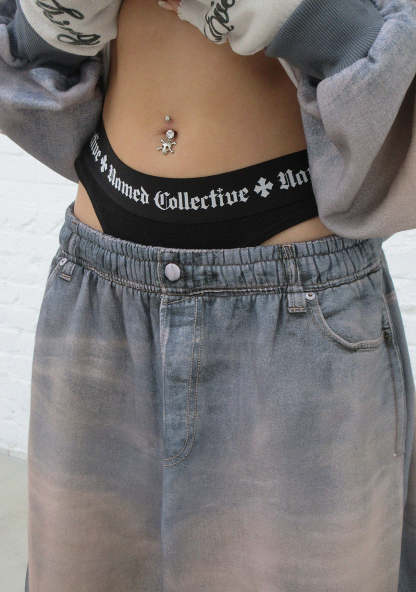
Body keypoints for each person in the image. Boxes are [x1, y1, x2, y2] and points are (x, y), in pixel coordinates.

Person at [1, 0, 416, 590]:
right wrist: (57, 17)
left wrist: (293, 12)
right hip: (99, 289)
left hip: (293, 303)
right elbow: (23, 55)